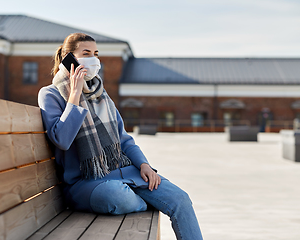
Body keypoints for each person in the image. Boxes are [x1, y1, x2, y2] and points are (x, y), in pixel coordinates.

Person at [38, 33, 203, 240]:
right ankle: (147, 200)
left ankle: (144, 196)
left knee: (181, 200)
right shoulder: (51, 94)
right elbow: (61, 140)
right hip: (86, 182)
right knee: (116, 196)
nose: (93, 59)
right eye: (86, 53)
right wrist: (75, 96)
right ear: (68, 58)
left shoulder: (102, 95)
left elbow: (124, 139)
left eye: (96, 54)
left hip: (125, 173)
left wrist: (144, 165)